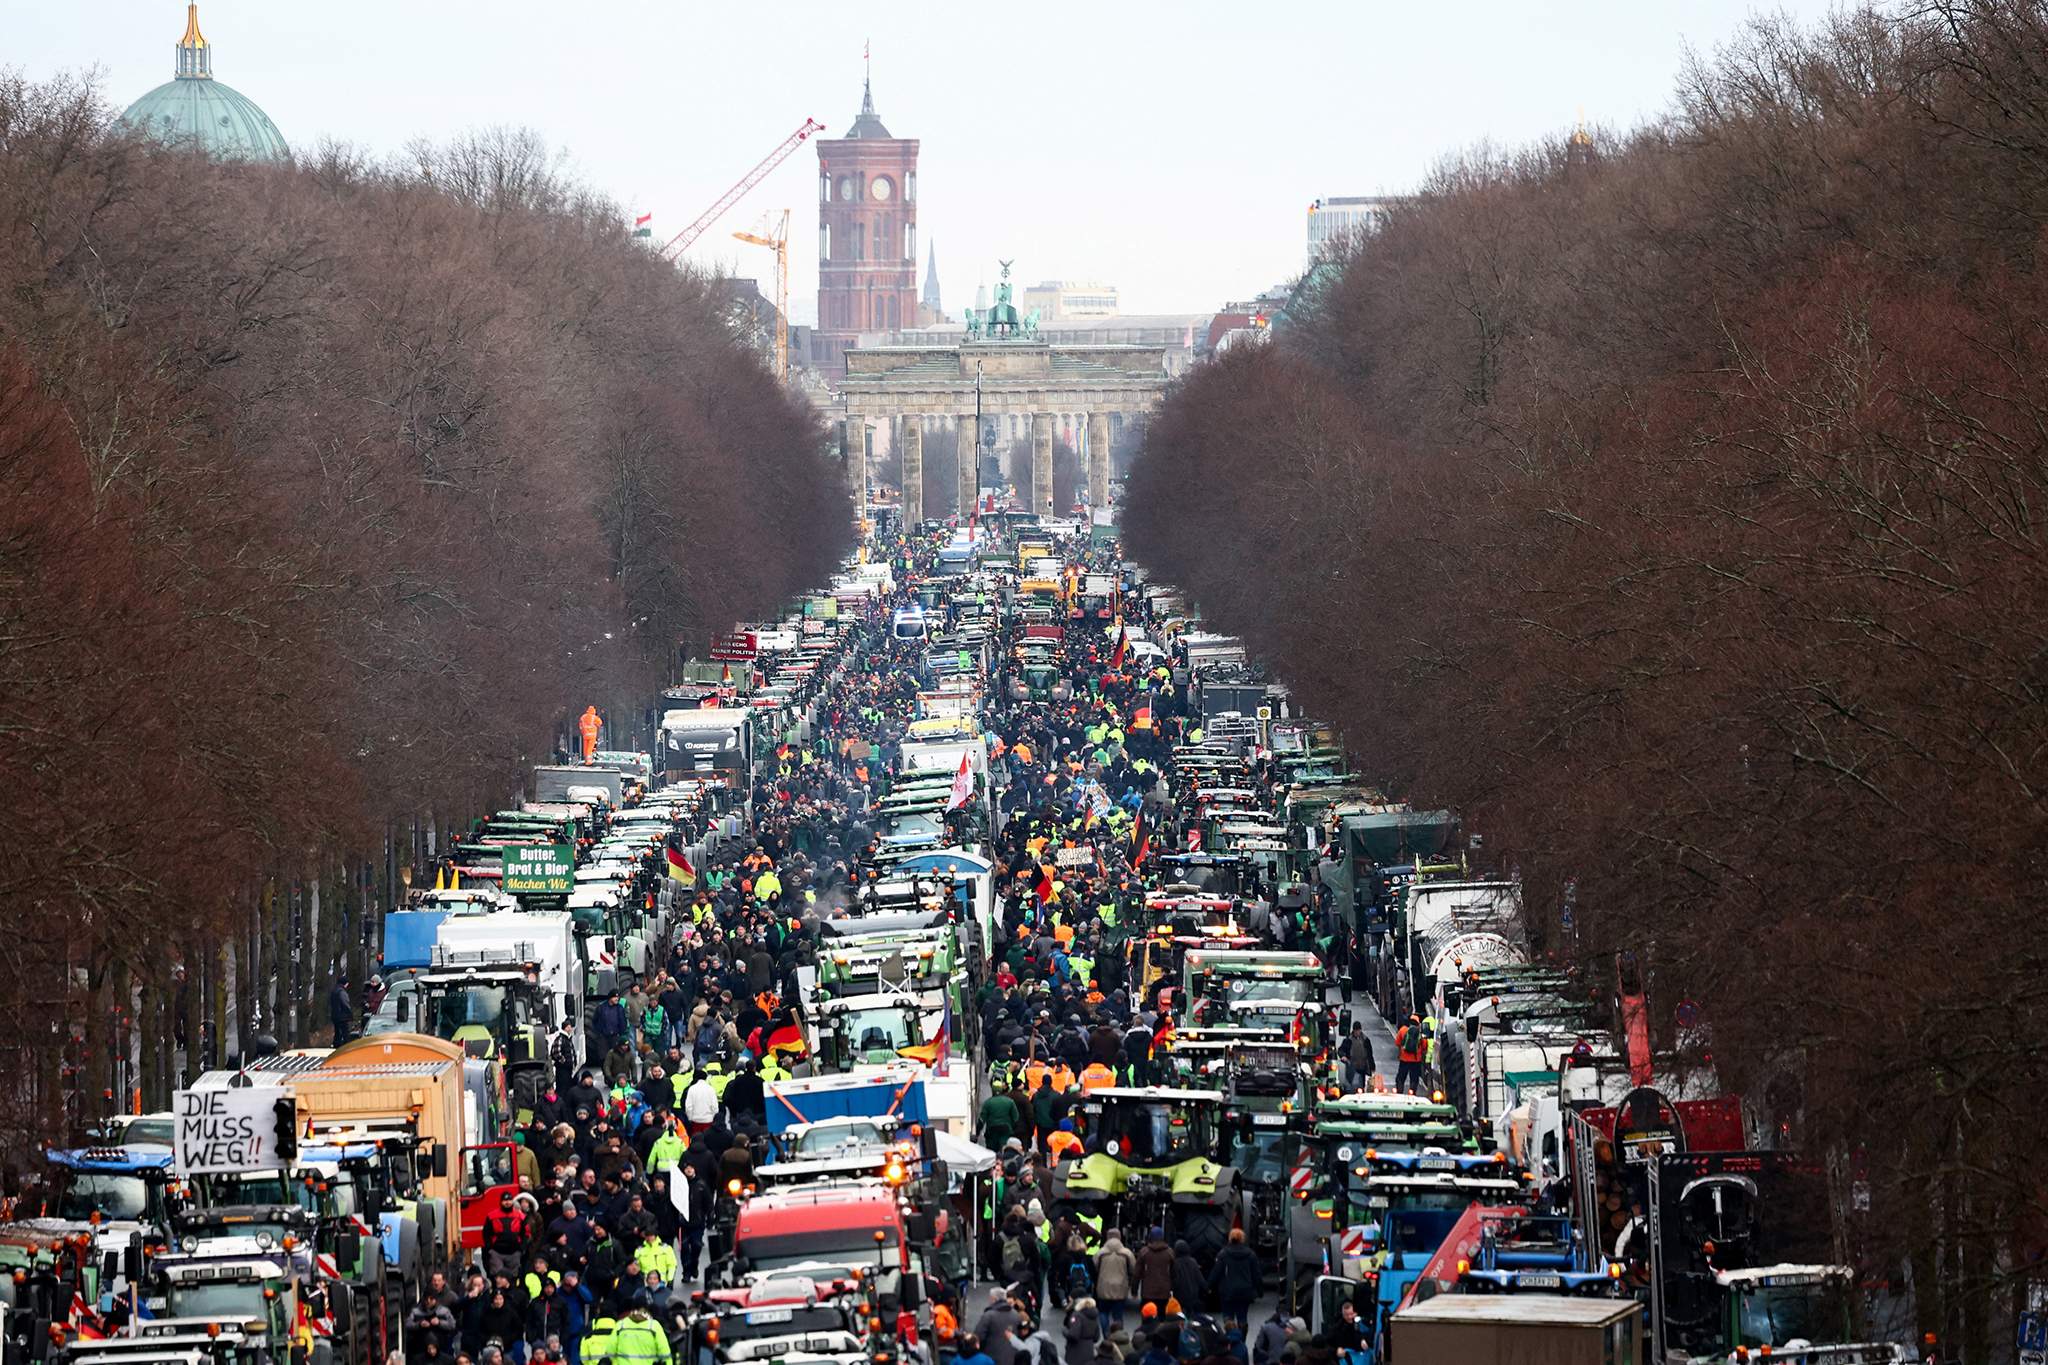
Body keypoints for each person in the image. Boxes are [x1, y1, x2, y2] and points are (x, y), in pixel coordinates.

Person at [1206, 1229, 1261, 1329]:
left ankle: (1231, 1338)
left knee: (1228, 1317)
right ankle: (1242, 1339)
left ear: (1230, 1238)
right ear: (1242, 1239)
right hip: (1245, 1292)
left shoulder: (1223, 1254)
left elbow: (1216, 1272)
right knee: (1242, 1318)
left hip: (1227, 1292)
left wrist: (1208, 1287)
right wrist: (1259, 1290)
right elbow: (1256, 1274)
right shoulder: (1251, 1255)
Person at [1093, 1229, 1138, 1331]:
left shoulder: (1100, 1253)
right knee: (1118, 1315)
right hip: (1120, 1288)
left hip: (1103, 1288)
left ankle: (1106, 1335)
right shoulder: (1126, 1253)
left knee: (1103, 1312)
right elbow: (1133, 1269)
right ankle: (1118, 1336)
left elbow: (1094, 1267)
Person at [1394, 1015, 1426, 1094]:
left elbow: (1397, 1043)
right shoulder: (1420, 1034)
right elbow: (1424, 1046)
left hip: (1404, 1059)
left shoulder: (1403, 1030)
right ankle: (1412, 1093)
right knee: (1414, 1079)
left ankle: (1400, 1092)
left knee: (1400, 1078)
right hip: (1416, 1060)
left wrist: (1399, 1054)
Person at [1343, 1024, 1374, 1094]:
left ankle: (1361, 1093)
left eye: (1358, 1030)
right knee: (1352, 1085)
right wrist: (1343, 1056)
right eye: (1356, 1031)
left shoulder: (1365, 1040)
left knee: (1361, 1084)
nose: (1357, 1032)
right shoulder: (1348, 1040)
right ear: (1353, 1030)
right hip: (1352, 1067)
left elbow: (1369, 1054)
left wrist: (1372, 1066)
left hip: (1362, 1067)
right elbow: (1341, 1050)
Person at [328, 975, 354, 1046]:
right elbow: (345, 1003)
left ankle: (336, 1044)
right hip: (342, 1016)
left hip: (335, 1015)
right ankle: (346, 1046)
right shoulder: (341, 992)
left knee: (337, 1032)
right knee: (345, 1032)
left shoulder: (334, 991)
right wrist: (350, 1013)